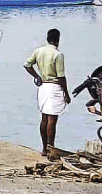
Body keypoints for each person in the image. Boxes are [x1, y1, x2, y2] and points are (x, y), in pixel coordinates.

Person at [23, 28, 71, 156]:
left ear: (47, 38)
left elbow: (27, 64)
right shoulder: (58, 55)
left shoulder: (39, 51)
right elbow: (61, 77)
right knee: (52, 119)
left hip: (43, 87)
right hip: (54, 87)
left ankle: (44, 148)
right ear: (58, 39)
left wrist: (37, 76)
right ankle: (51, 148)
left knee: (44, 118)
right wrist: (66, 93)